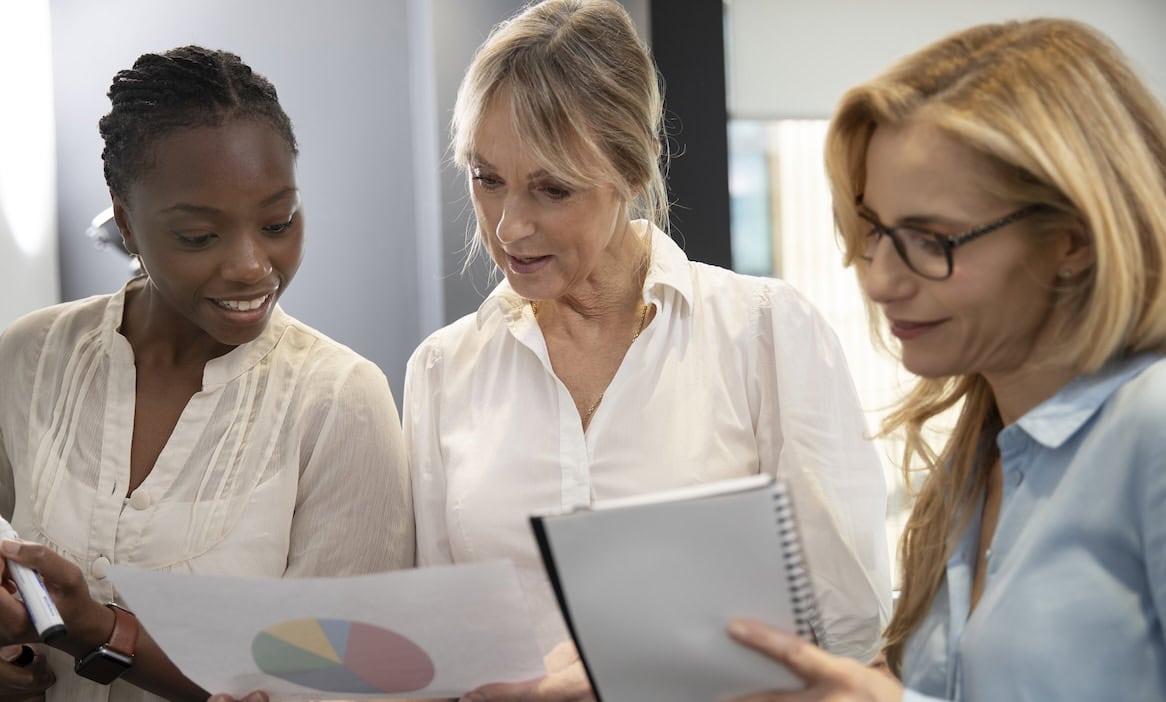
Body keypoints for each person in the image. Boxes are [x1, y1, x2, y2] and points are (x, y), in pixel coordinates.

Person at [403, 1, 892, 699]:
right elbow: (440, 641)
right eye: (486, 178)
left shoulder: (763, 333)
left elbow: (848, 627)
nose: (510, 225)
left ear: (634, 170)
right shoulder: (443, 371)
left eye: (552, 188)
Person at [725, 17, 1166, 702]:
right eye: (873, 230)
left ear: (1073, 240)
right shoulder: (973, 460)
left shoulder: (1152, 427)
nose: (878, 280)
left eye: (931, 240)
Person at [0, 46, 414, 702]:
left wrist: (100, 632)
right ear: (128, 220)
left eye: (277, 222)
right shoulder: (29, 357)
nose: (253, 265)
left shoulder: (339, 400)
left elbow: (341, 686)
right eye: (199, 236)